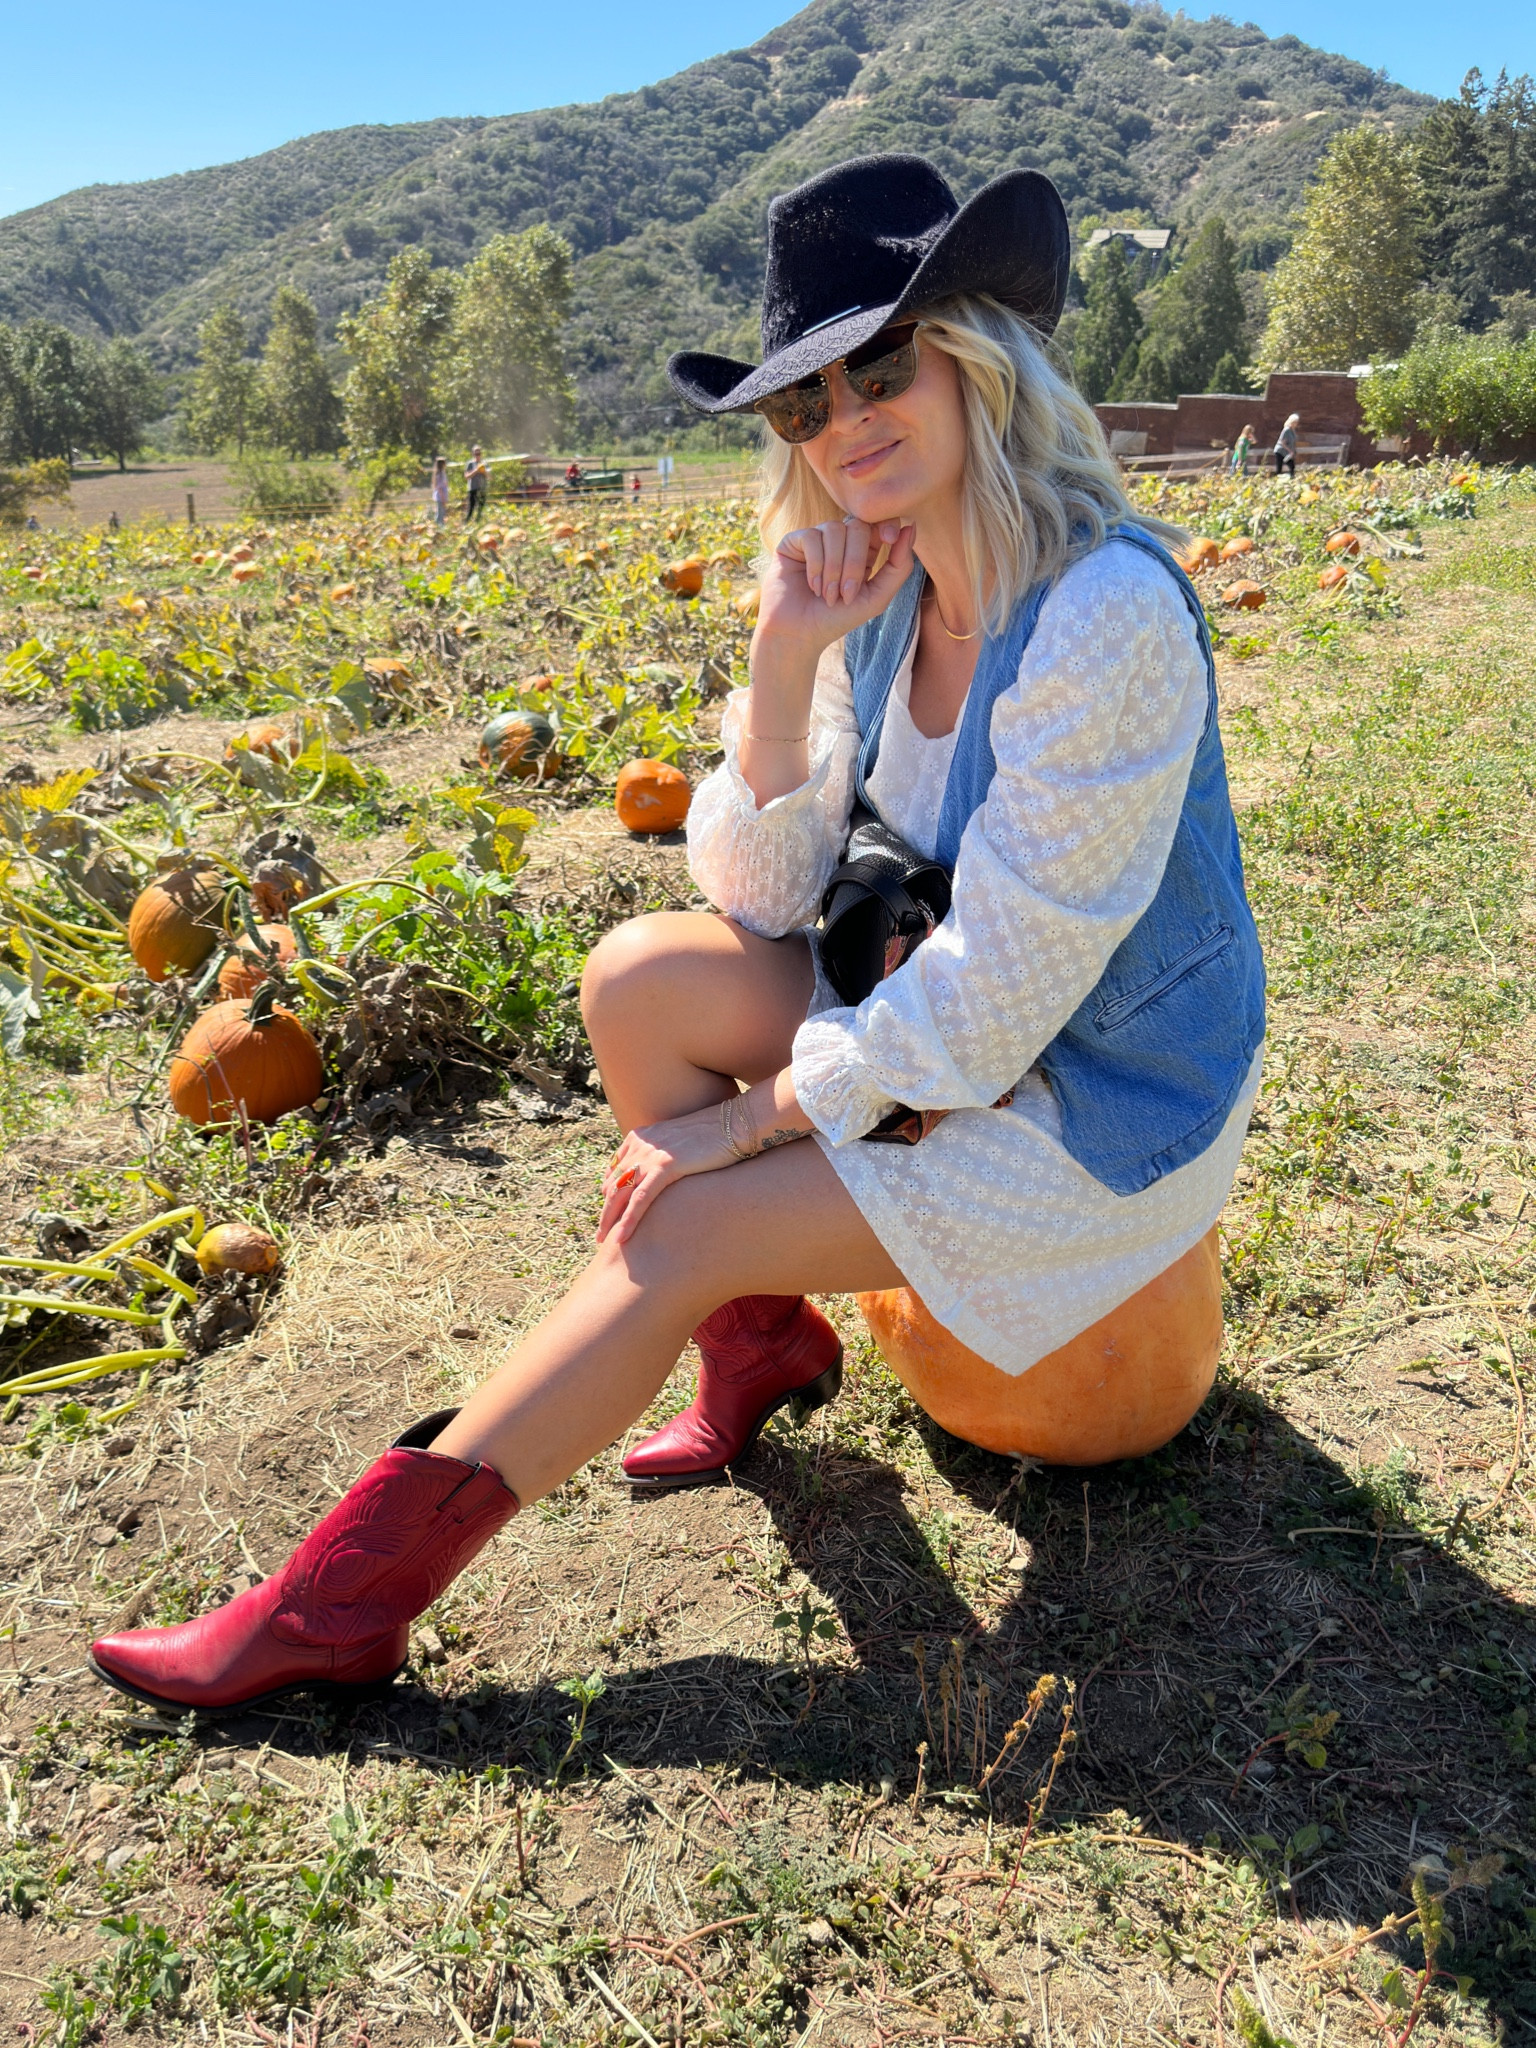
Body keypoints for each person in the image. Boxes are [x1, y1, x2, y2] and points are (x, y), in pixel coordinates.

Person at [85, 152, 1266, 1718]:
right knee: (638, 977)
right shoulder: (897, 586)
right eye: (803, 404)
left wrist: (754, 1133)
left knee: (679, 1222)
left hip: (1098, 1100)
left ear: (979, 354)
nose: (845, 424)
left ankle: (339, 1605)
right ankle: (758, 1347)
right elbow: (766, 899)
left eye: (882, 367)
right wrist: (787, 660)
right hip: (948, 1026)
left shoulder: (1103, 614)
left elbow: (1000, 1002)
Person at [465, 446, 488, 522]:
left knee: (481, 507)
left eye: (479, 453)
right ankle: (467, 522)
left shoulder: (484, 463)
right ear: (473, 454)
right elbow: (467, 476)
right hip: (473, 488)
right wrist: (476, 471)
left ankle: (478, 522)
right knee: (471, 508)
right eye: (476, 453)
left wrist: (483, 471)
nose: (477, 455)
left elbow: (490, 477)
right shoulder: (470, 464)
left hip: (482, 488)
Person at [430, 454, 449, 528]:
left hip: (441, 495)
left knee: (441, 511)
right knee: (440, 512)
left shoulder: (441, 473)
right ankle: (439, 526)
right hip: (440, 496)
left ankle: (440, 525)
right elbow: (440, 488)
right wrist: (443, 498)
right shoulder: (440, 474)